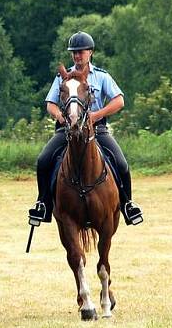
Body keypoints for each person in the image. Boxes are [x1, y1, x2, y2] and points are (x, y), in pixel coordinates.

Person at [27, 31, 142, 226]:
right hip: (68, 130)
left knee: (121, 163)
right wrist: (59, 116)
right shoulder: (63, 77)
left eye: (81, 52)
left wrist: (97, 115)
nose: (77, 56)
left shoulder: (102, 76)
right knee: (43, 160)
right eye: (74, 52)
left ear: (91, 53)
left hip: (97, 131)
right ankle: (43, 204)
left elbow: (119, 100)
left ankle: (127, 204)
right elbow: (50, 104)